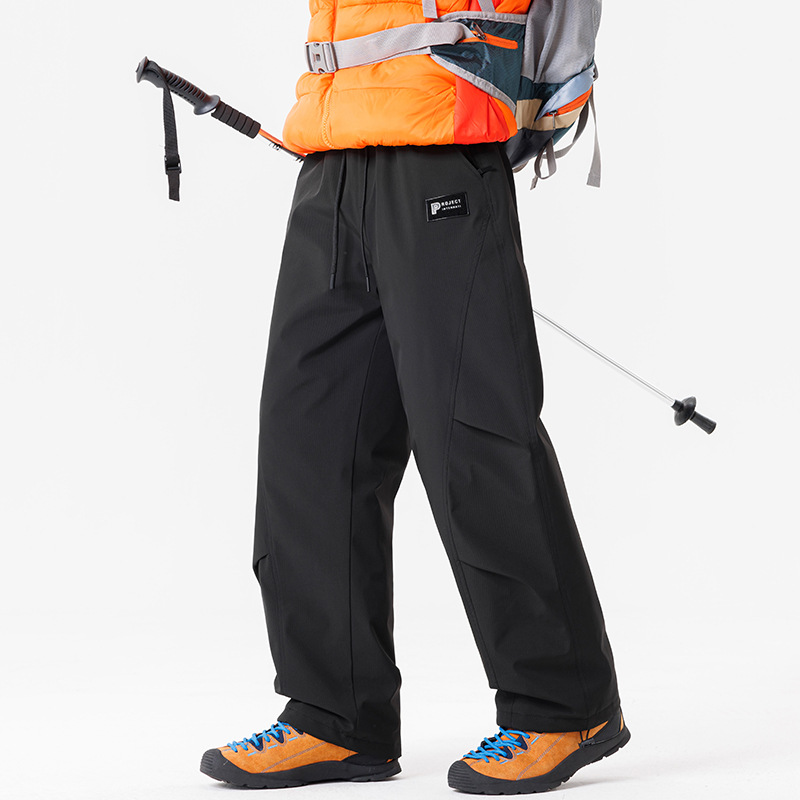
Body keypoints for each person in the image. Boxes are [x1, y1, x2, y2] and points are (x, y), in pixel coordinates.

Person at [200, 0, 629, 793]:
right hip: (332, 155)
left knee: (473, 438)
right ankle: (334, 717)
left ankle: (564, 707)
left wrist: (545, 102)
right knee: (309, 445)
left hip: (441, 150)